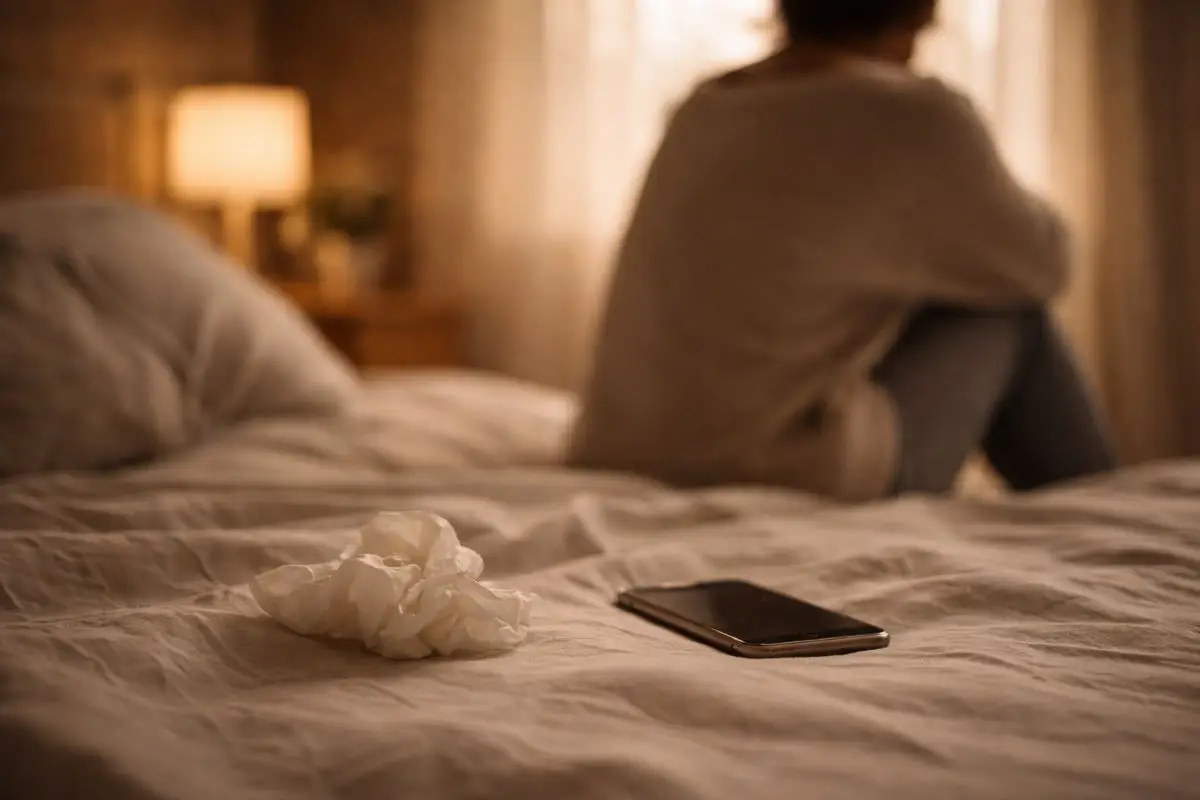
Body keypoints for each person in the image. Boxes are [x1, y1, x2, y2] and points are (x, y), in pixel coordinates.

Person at [566, 0, 1118, 501]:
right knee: (1008, 310)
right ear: (919, 15)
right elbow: (1044, 264)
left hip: (622, 453)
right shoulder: (912, 113)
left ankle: (1097, 512)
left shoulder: (703, 104)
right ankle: (1103, 515)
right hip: (776, 470)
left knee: (949, 289)